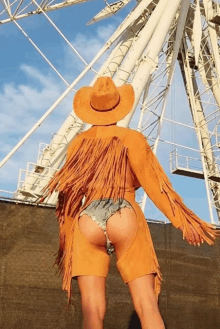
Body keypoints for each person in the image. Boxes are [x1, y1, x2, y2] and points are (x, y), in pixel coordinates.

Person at [37, 76, 220, 329]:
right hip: (125, 213)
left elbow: (68, 194)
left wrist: (68, 235)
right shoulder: (132, 139)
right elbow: (156, 186)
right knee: (146, 304)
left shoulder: (78, 142)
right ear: (118, 106)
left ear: (91, 108)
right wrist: (184, 222)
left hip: (86, 218)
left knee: (91, 310)